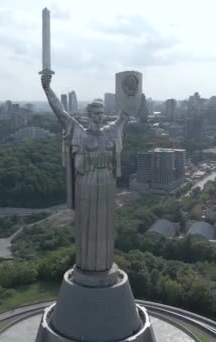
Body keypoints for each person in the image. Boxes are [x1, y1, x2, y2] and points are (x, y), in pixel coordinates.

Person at [41, 73, 129, 272]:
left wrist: (131, 94)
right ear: (89, 115)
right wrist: (47, 88)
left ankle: (104, 264)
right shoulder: (78, 132)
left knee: (105, 224)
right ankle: (87, 265)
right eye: (96, 113)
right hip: (86, 182)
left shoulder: (111, 132)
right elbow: (61, 112)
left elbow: (125, 115)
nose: (100, 116)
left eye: (102, 113)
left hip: (107, 181)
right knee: (86, 223)